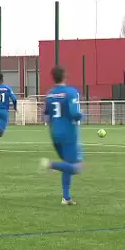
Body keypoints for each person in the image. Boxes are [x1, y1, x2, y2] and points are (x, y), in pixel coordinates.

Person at [39, 66, 83, 205]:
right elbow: (75, 114)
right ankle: (50, 164)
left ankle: (66, 197)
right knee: (77, 167)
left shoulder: (50, 94)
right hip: (69, 133)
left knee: (67, 165)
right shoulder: (71, 92)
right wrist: (83, 115)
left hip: (54, 133)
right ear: (64, 76)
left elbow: (46, 115)